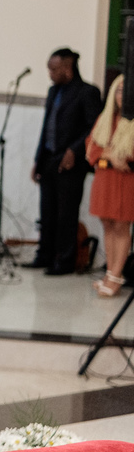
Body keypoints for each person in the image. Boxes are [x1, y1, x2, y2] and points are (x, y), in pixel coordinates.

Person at [29, 48, 103, 275]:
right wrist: (37, 160)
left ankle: (65, 260)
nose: (50, 74)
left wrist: (74, 150)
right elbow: (46, 127)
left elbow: (94, 128)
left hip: (71, 163)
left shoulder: (87, 92)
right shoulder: (54, 91)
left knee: (66, 215)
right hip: (49, 159)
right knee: (47, 212)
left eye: (54, 69)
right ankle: (45, 255)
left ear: (67, 68)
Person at [86, 75, 134, 296]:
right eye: (118, 90)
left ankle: (116, 276)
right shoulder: (105, 118)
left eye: (126, 90)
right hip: (104, 178)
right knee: (107, 224)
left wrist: (111, 155)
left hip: (125, 180)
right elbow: (91, 149)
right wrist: (110, 155)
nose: (121, 95)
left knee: (121, 226)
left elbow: (128, 155)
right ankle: (110, 273)